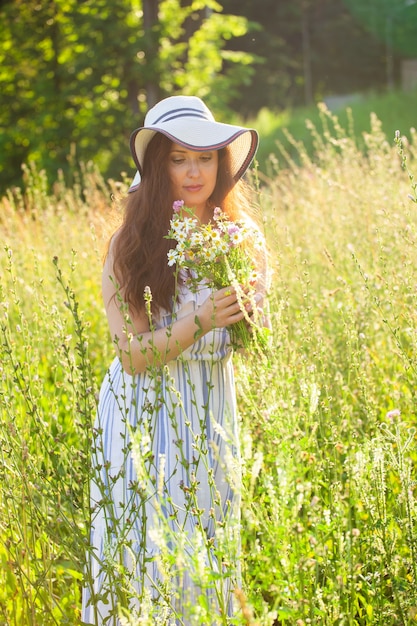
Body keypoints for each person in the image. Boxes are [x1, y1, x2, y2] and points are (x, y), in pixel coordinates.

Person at [81, 95, 269, 625]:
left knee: (206, 555)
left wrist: (251, 315)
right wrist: (202, 319)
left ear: (221, 163)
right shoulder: (130, 245)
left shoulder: (241, 237)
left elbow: (255, 340)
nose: (194, 171)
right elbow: (134, 356)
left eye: (205, 158)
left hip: (211, 410)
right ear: (157, 166)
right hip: (143, 412)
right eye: (179, 158)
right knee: (146, 554)